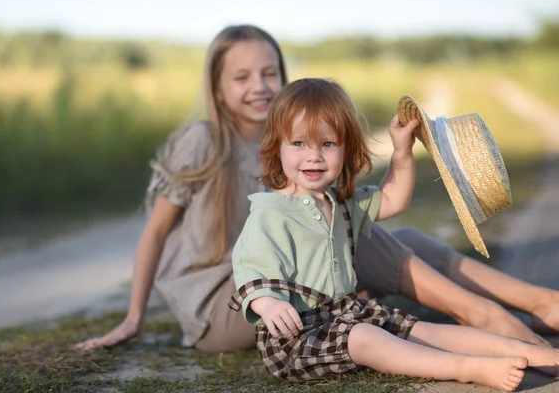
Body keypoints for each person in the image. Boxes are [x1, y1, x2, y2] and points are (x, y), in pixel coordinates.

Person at [74, 24, 559, 354]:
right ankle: (486, 316)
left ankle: (540, 303)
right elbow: (156, 233)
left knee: (386, 234)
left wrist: (401, 155)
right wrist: (133, 317)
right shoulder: (202, 141)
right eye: (241, 77)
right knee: (357, 231)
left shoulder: (287, 136)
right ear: (218, 89)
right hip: (231, 301)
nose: (260, 86)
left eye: (269, 73)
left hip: (290, 275)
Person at [229, 78, 559, 391]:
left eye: (327, 144)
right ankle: (469, 367)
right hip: (300, 337)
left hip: (349, 313)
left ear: (346, 149)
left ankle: (541, 355)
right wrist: (268, 304)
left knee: (424, 331)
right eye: (299, 143)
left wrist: (401, 152)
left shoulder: (338, 202)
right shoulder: (269, 213)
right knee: (366, 339)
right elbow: (250, 269)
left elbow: (392, 198)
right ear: (277, 147)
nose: (313, 155)